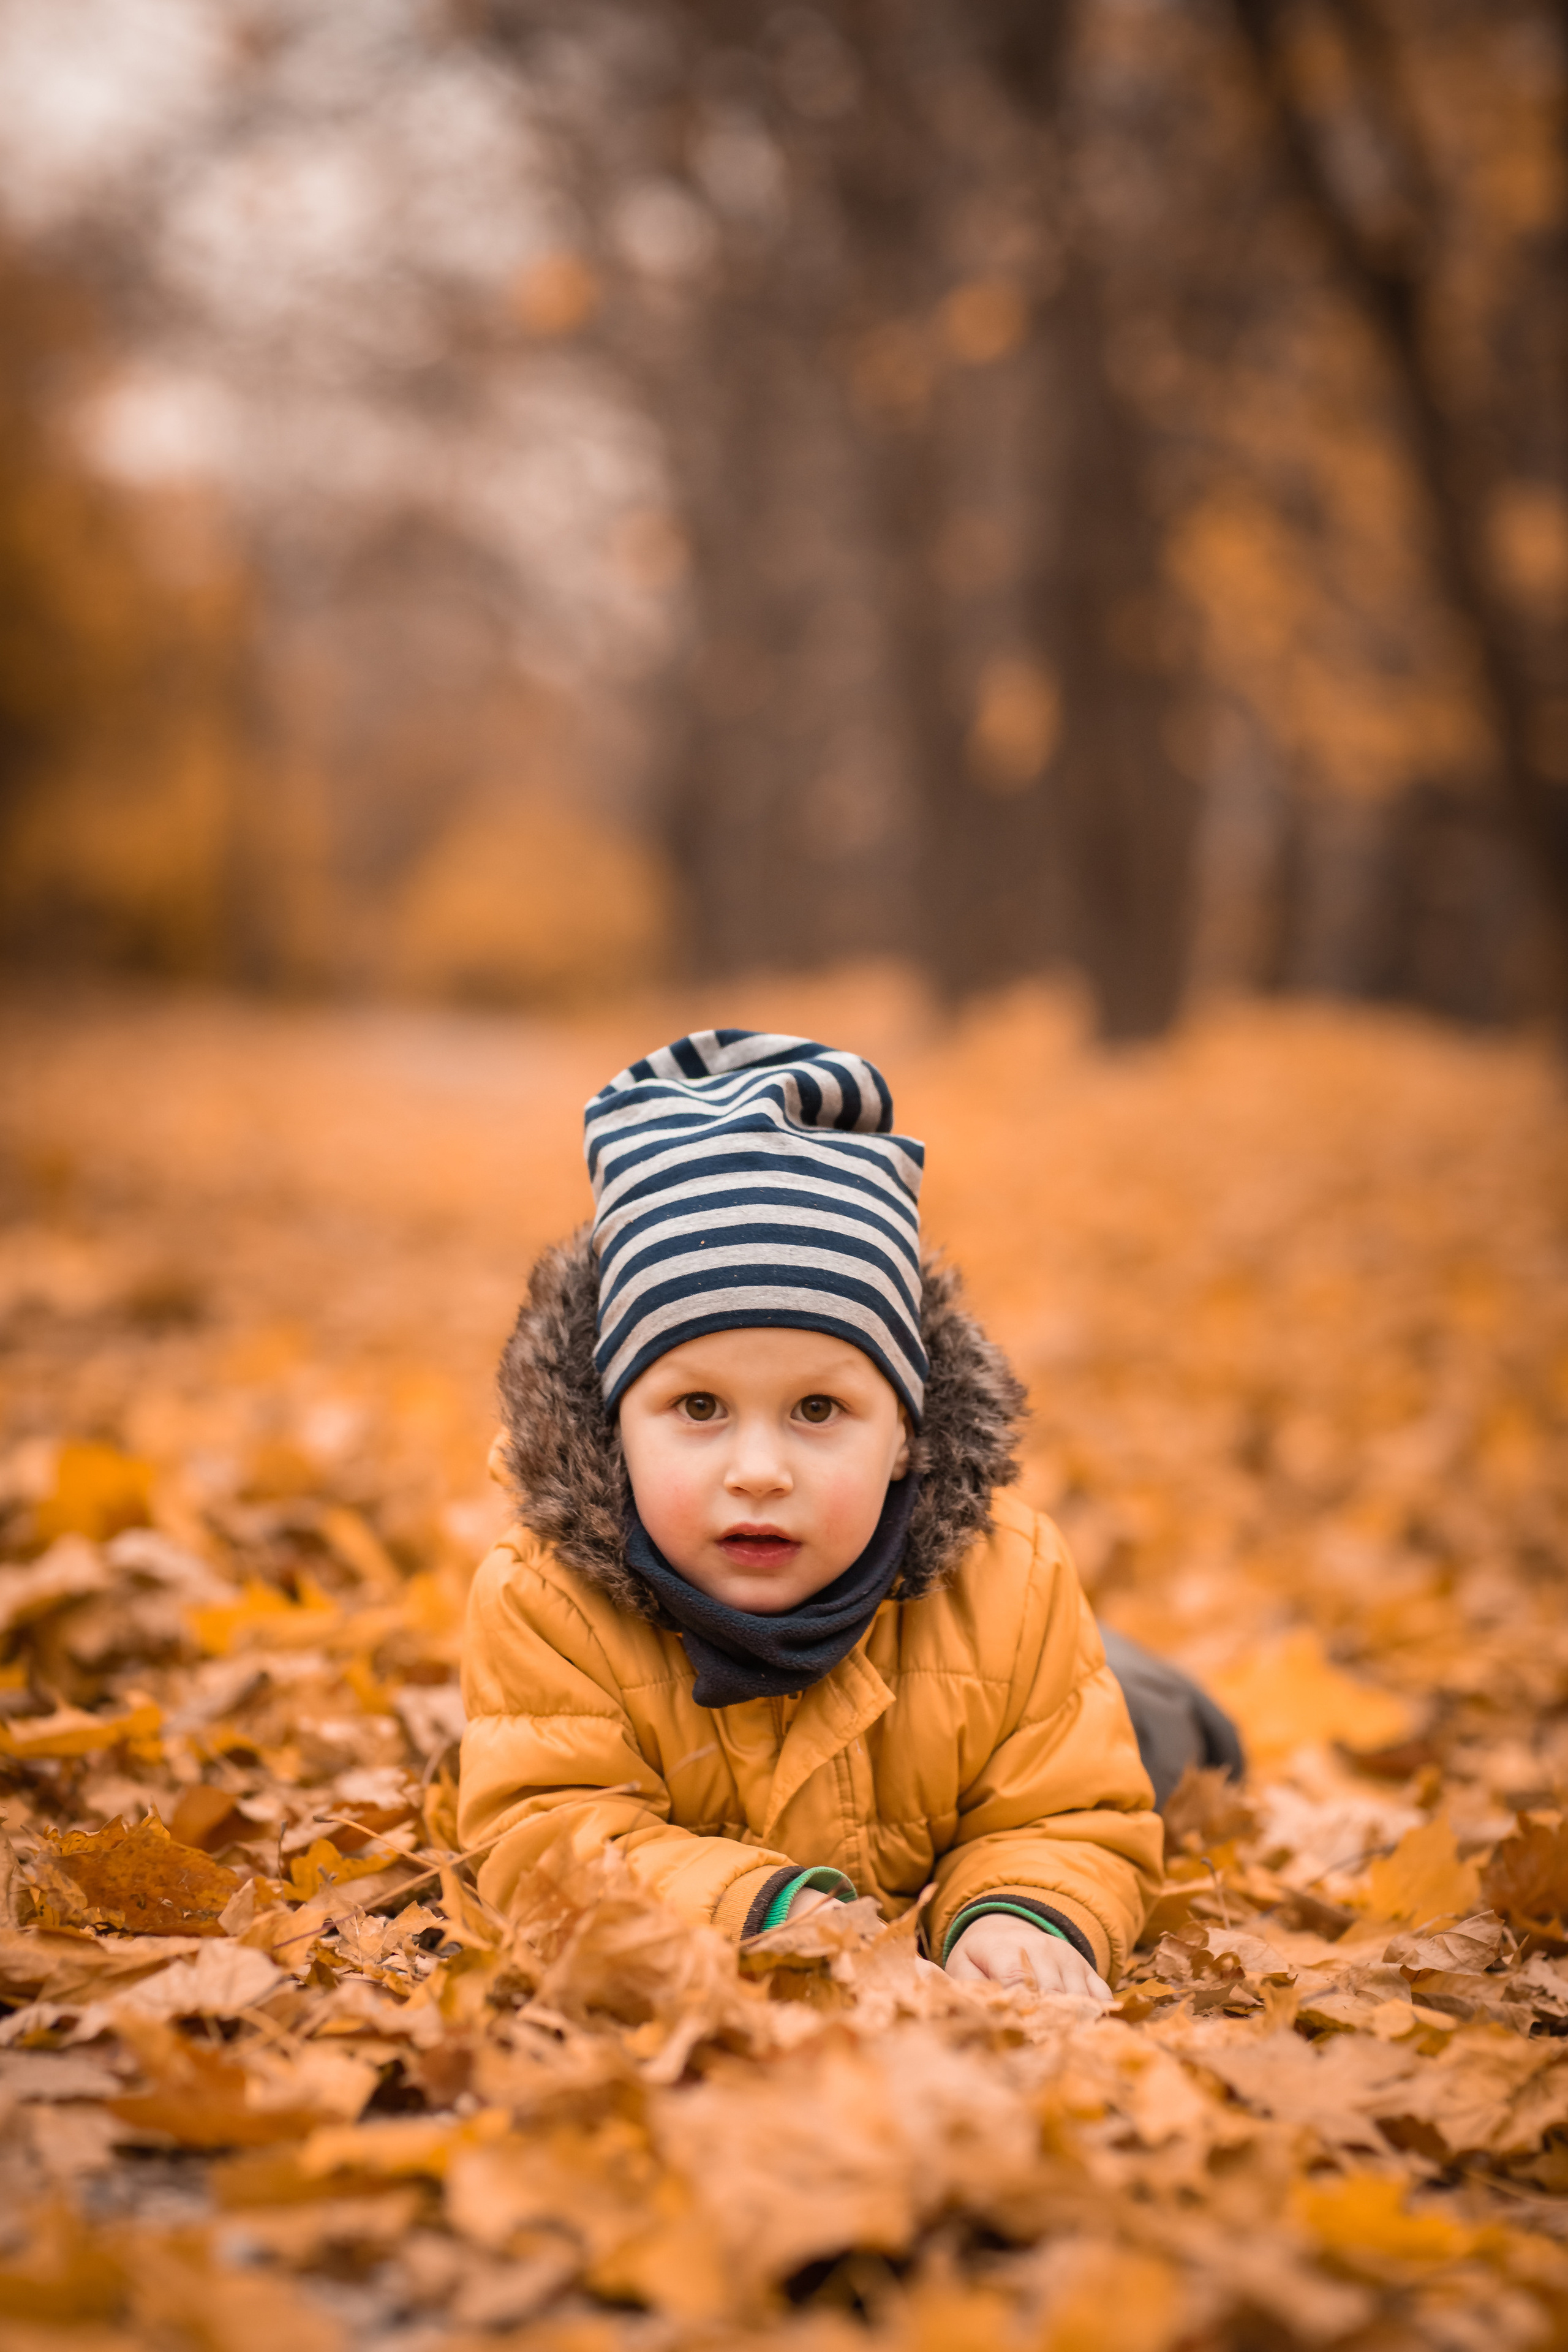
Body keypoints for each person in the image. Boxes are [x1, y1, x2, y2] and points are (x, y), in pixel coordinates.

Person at [459, 1030, 1170, 2003]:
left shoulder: (1013, 1581)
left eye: (818, 1411)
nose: (758, 1472)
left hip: (1003, 1679)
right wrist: (765, 1911)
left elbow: (1069, 1810)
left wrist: (1020, 1909)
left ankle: (1172, 1704)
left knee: (1151, 1723)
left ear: (908, 1438)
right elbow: (551, 1835)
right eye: (699, 1409)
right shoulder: (548, 1598)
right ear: (615, 1422)